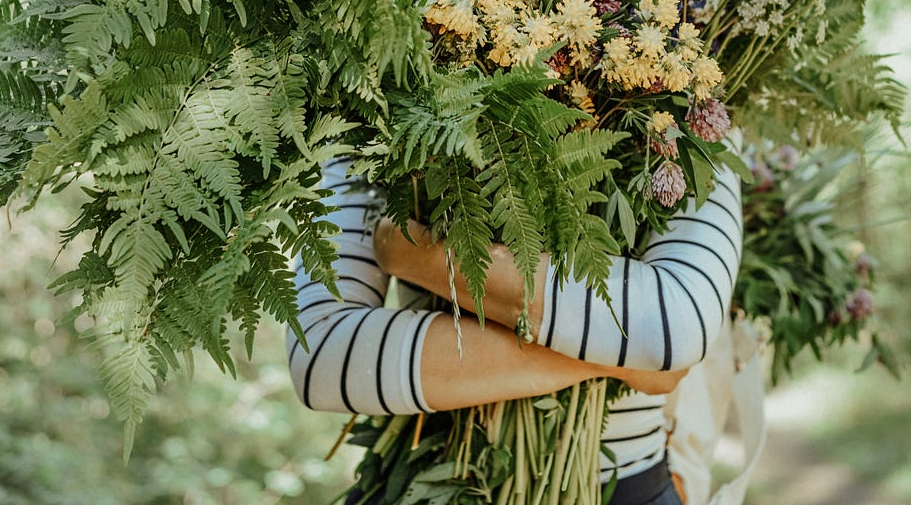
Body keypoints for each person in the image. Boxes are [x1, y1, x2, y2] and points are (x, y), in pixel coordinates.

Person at [288, 159, 743, 505]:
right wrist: (623, 361)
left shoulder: (695, 101)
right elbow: (320, 352)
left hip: (622, 485)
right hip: (430, 474)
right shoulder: (374, 96)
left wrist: (423, 258)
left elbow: (679, 323)